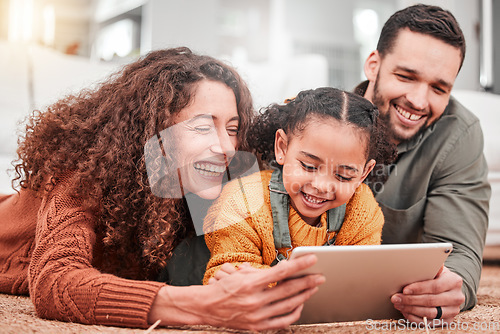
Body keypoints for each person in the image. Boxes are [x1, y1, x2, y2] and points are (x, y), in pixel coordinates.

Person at [0, 47, 325, 331]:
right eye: (201, 127)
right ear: (155, 131)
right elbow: (54, 282)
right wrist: (204, 304)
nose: (226, 147)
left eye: (232, 129)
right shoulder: (84, 174)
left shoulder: (212, 180)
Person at [355, 4, 491, 324]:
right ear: (373, 65)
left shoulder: (459, 135)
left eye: (438, 88)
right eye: (406, 76)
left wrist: (448, 287)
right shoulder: (317, 121)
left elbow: (458, 254)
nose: (418, 100)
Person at [203, 87, 396, 283]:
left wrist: (266, 281)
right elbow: (226, 281)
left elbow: (360, 283)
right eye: (309, 166)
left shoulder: (361, 209)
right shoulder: (242, 201)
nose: (322, 186)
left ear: (364, 173)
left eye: (343, 176)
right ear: (282, 148)